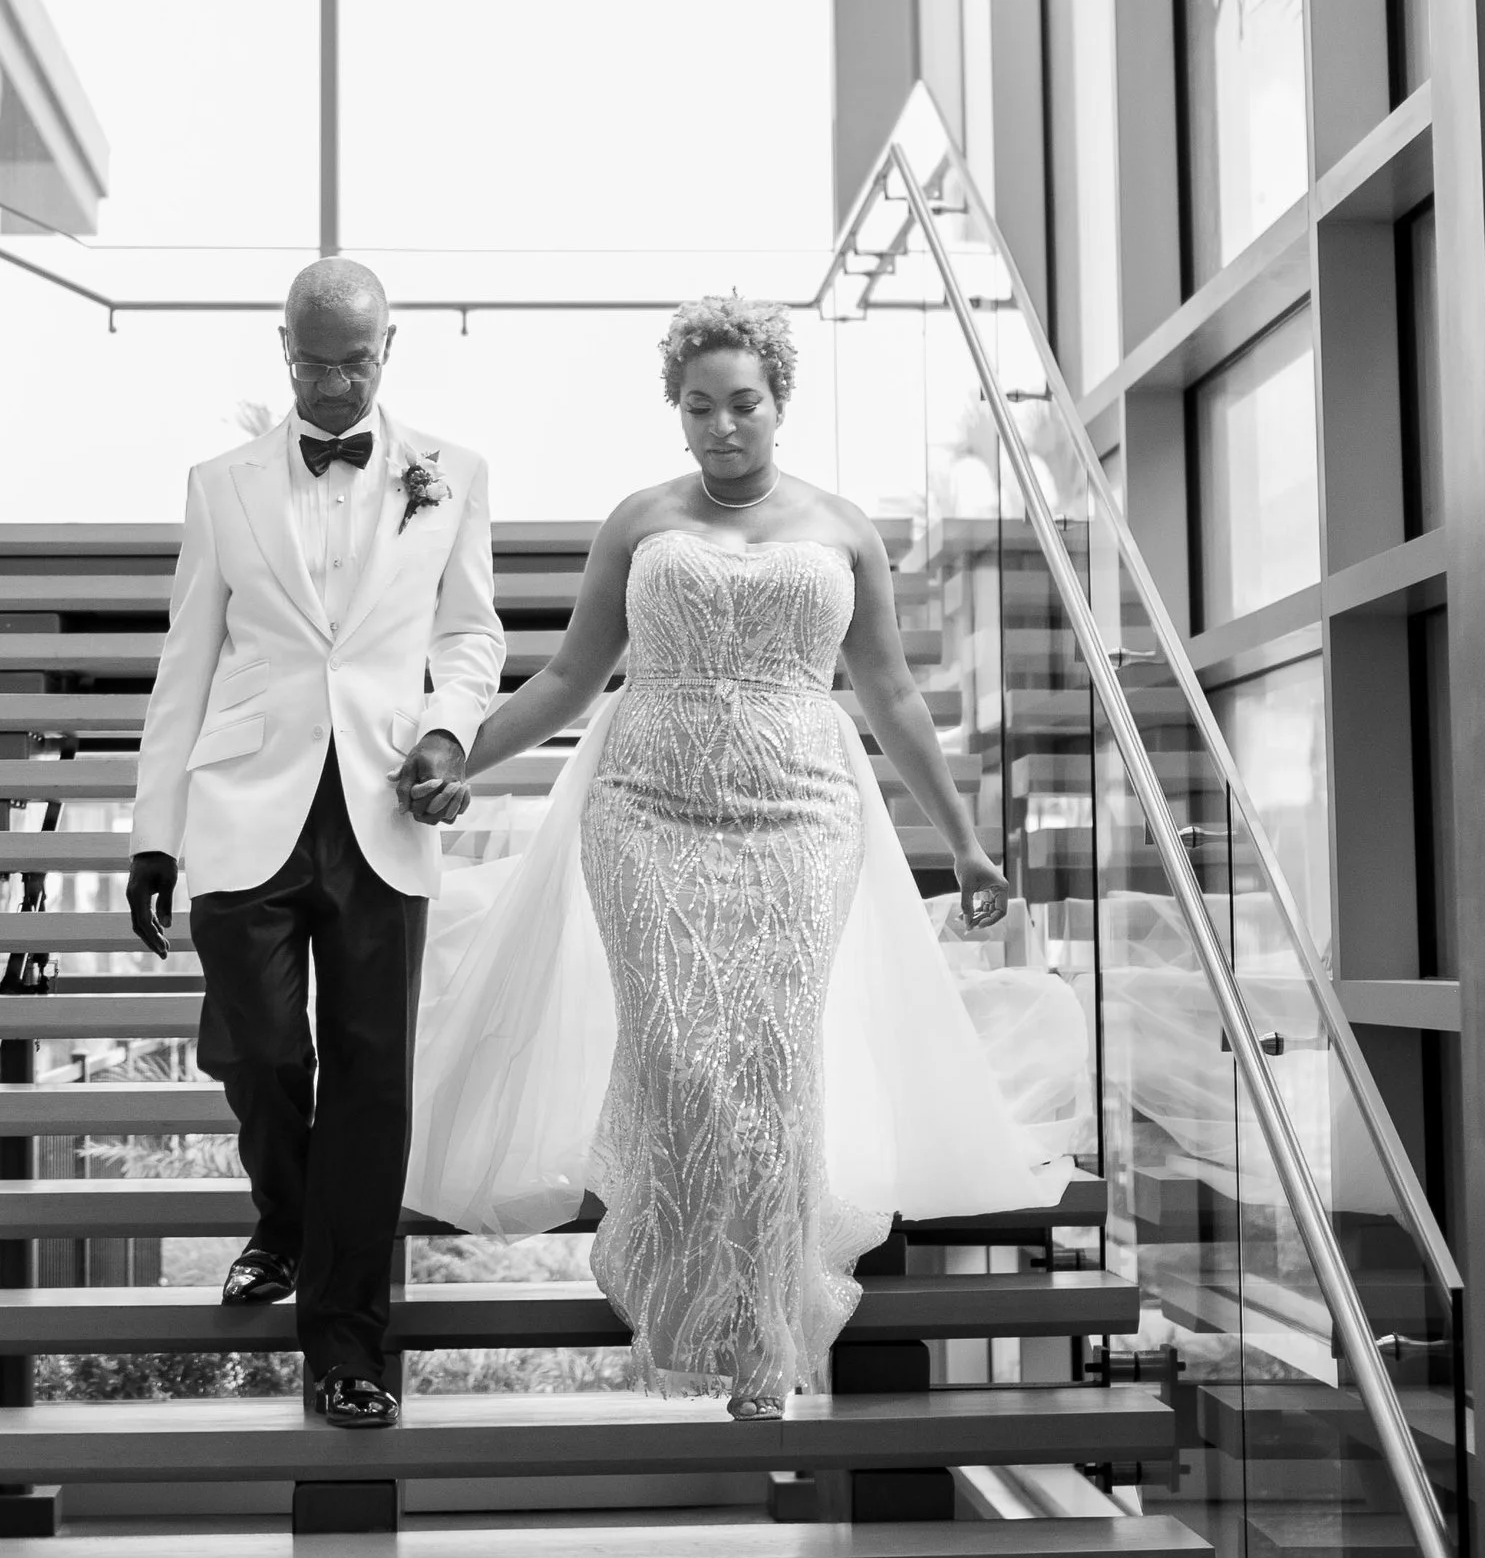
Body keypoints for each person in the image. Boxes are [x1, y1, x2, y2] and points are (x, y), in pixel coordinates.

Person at [402, 291, 1049, 1418]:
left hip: (801, 819)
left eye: (742, 404)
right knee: (684, 1058)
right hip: (645, 812)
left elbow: (890, 691)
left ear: (778, 401)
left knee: (770, 1063)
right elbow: (565, 679)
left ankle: (759, 1337)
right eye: (698, 407)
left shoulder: (843, 527)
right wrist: (460, 753)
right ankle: (686, 1302)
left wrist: (966, 846)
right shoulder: (639, 519)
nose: (721, 428)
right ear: (678, 410)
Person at [125, 257, 501, 1430]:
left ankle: (346, 1344)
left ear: (387, 351)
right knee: (257, 1050)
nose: (333, 383)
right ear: (279, 348)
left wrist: (448, 733)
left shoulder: (455, 475)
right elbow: (187, 657)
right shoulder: (220, 483)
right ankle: (282, 1214)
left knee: (371, 1080)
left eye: (355, 360)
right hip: (245, 799)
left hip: (385, 802)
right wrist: (153, 838)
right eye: (311, 360)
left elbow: (472, 633)